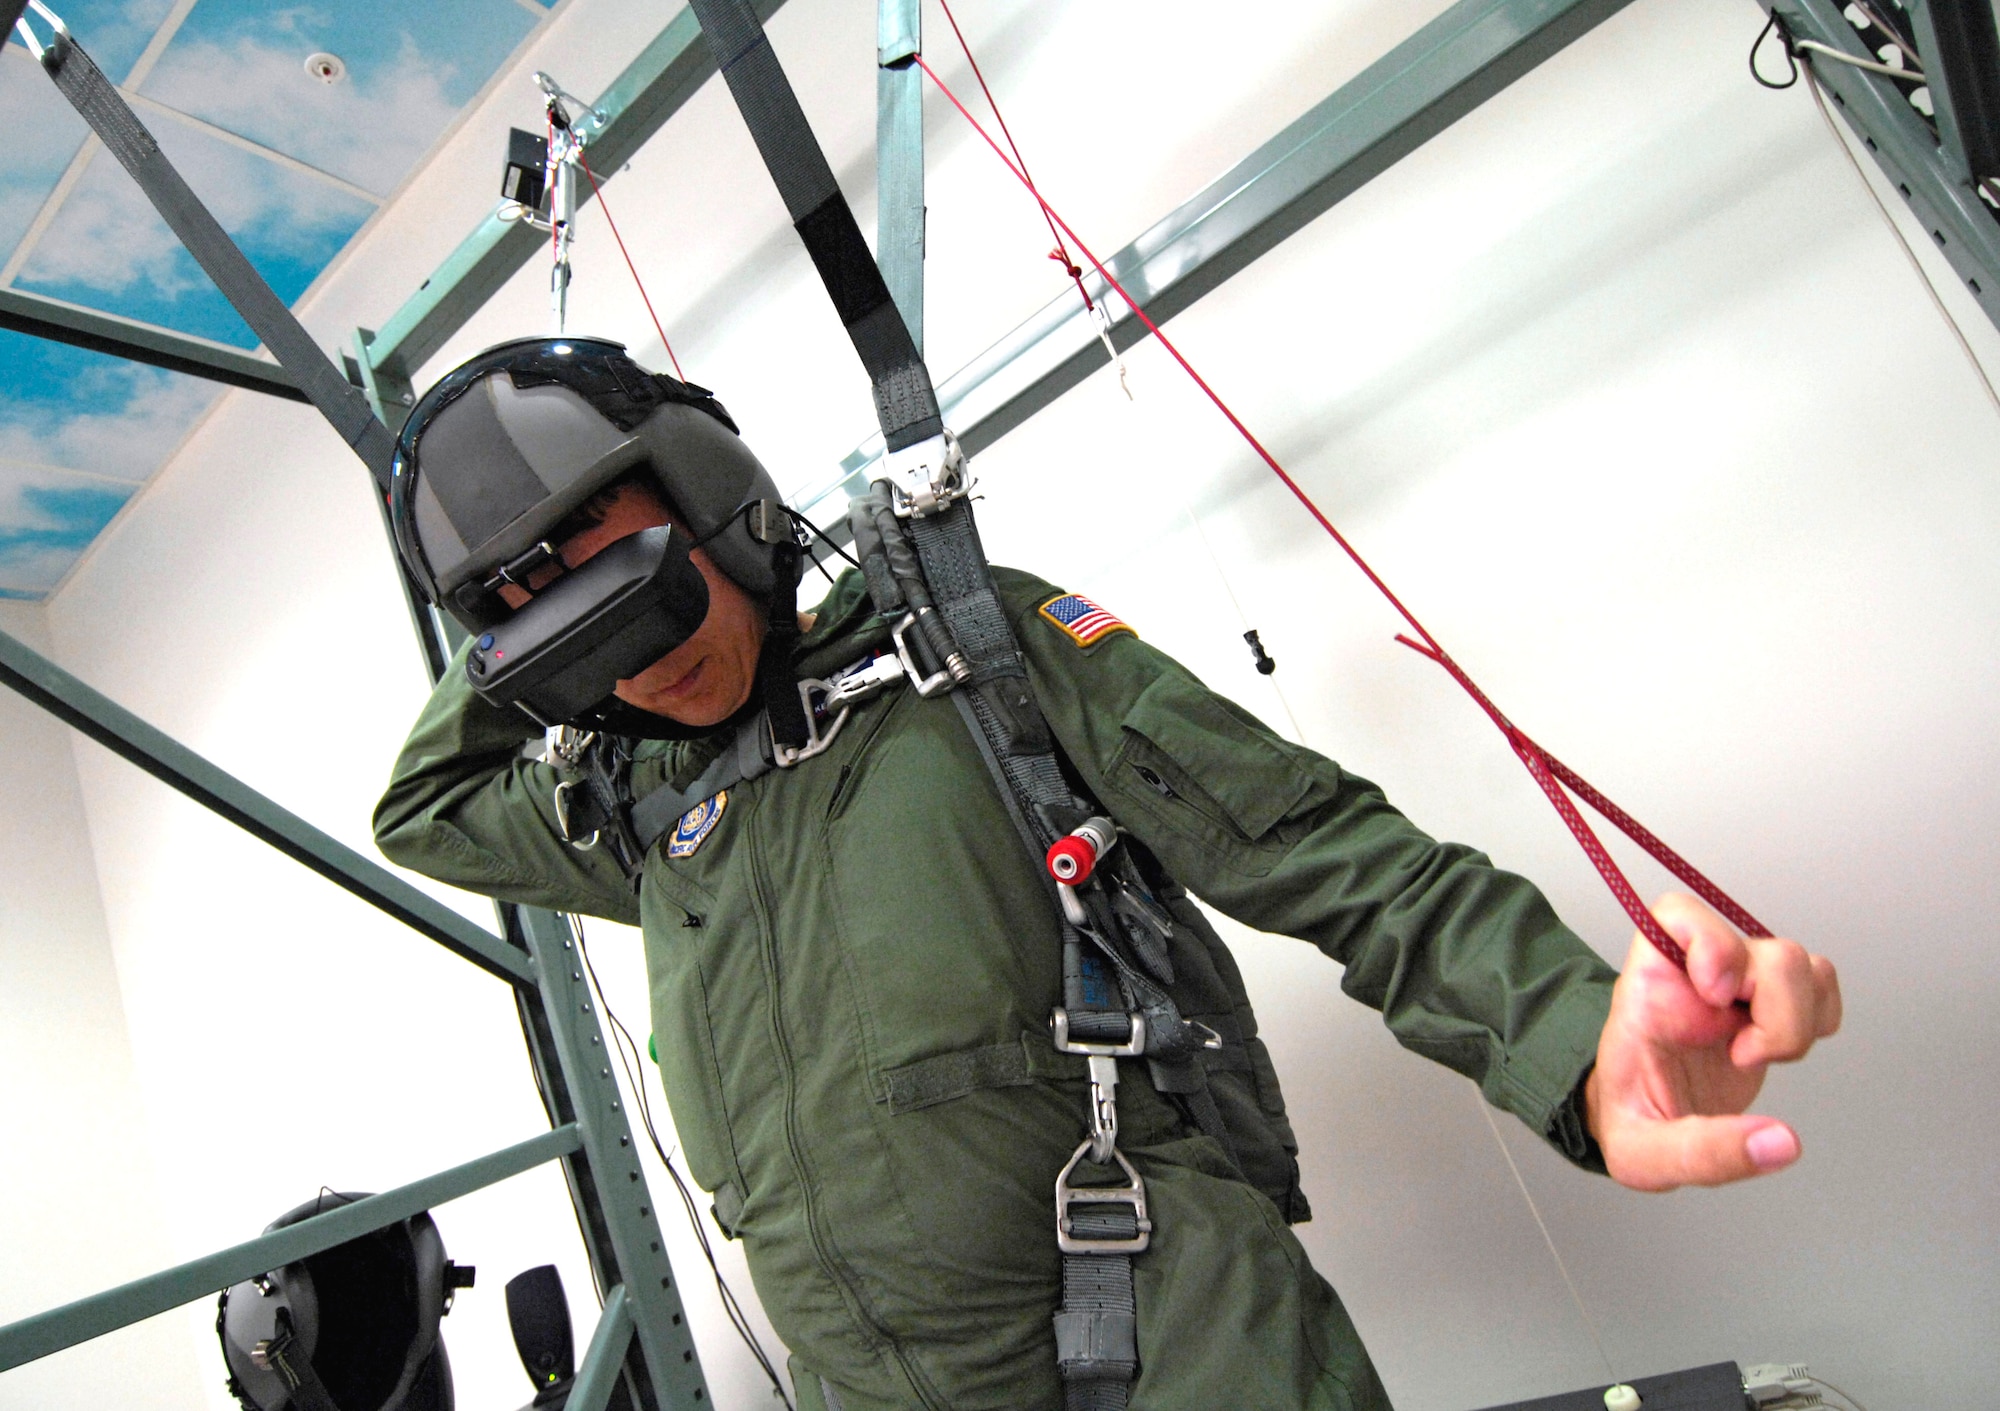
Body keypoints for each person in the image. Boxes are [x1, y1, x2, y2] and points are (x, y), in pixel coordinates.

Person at [374, 340, 1840, 1411]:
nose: (652, 668)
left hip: (1171, 1351)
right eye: (577, 651)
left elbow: (1334, 856)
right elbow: (422, 811)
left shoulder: (973, 661)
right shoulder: (639, 800)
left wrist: (1583, 1045)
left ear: (718, 505)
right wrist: (525, 610)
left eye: (645, 592)